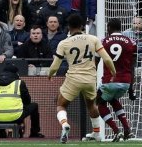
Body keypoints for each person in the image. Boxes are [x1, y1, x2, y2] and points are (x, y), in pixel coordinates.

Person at [48, 14, 116, 143]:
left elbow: (55, 65)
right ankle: (97, 133)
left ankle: (64, 124)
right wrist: (113, 72)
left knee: (61, 104)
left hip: (73, 78)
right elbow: (106, 58)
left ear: (68, 27)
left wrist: (50, 74)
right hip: (90, 78)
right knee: (91, 105)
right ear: (82, 26)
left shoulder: (64, 43)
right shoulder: (93, 39)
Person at [96, 18, 137, 142]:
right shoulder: (131, 42)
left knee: (99, 102)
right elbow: (132, 66)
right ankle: (127, 129)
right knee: (112, 99)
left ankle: (116, 130)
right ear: (120, 27)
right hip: (125, 82)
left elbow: (96, 61)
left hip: (110, 80)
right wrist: (131, 88)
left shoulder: (103, 41)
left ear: (109, 28)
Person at [0, 62, 45, 138]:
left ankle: (0, 133)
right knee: (34, 106)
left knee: (2, 107)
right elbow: (27, 101)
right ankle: (34, 133)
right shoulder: (19, 83)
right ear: (16, 73)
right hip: (16, 116)